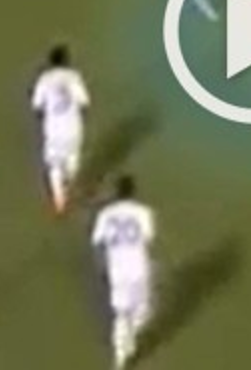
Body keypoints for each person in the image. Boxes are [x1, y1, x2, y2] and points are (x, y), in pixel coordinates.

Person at [91, 175, 157, 370]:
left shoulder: (105, 214)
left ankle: (120, 356)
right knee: (142, 312)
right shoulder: (144, 212)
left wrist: (102, 268)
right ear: (133, 192)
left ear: (116, 192)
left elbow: (97, 242)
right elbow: (148, 238)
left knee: (121, 313)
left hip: (117, 270)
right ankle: (129, 340)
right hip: (139, 269)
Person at [29, 44, 90, 215]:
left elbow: (37, 106)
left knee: (54, 164)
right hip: (73, 127)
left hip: (53, 129)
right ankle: (68, 184)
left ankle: (59, 199)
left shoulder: (44, 79)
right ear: (67, 60)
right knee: (72, 162)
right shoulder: (74, 77)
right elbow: (84, 102)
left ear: (51, 62)